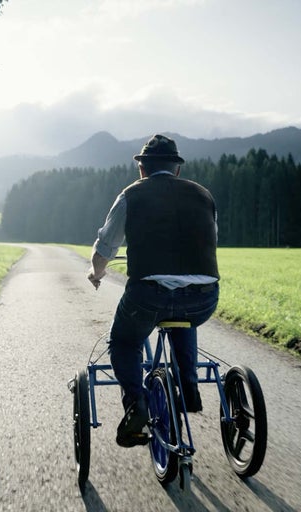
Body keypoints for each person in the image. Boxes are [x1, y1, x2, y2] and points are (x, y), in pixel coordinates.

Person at [87, 134, 219, 448]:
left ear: (142, 169)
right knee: (182, 315)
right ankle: (189, 391)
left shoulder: (132, 195)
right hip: (204, 298)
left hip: (149, 297)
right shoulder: (204, 195)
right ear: (176, 170)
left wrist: (96, 272)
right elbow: (211, 238)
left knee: (124, 341)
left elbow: (106, 246)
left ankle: (136, 405)